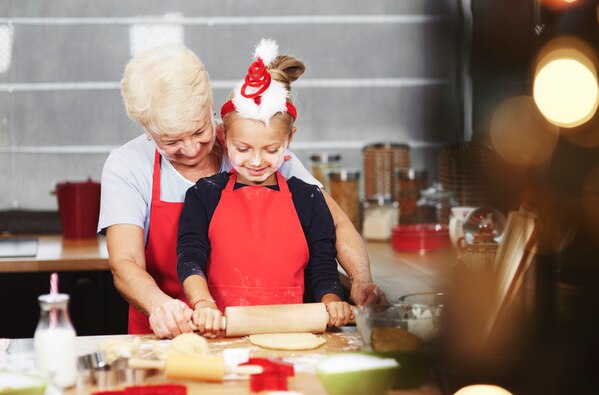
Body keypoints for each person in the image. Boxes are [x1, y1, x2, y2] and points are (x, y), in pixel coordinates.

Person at [98, 43, 386, 339]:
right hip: (167, 337)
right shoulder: (128, 165)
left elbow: (336, 223)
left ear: (210, 107)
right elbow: (125, 263)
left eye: (199, 131)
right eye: (170, 142)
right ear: (147, 130)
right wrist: (161, 307)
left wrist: (361, 280)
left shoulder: (255, 149)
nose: (191, 149)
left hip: (261, 330)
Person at [176, 39, 353, 337]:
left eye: (271, 150)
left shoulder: (307, 197)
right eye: (242, 148)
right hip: (220, 332)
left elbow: (323, 267)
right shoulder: (203, 195)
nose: (256, 161)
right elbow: (190, 257)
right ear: (223, 136)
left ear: (289, 141)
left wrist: (332, 302)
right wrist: (203, 304)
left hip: (294, 333)